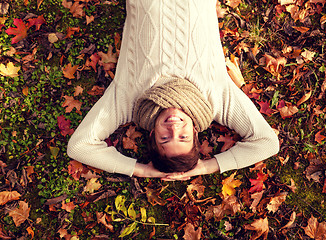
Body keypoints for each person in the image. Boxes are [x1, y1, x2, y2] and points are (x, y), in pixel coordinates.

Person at [67, 0, 279, 181]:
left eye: (165, 139)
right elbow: (266, 143)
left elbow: (80, 146)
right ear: (195, 133)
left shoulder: (129, 101)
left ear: (152, 134)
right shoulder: (217, 100)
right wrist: (206, 167)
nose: (174, 129)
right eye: (184, 137)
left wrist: (141, 170)